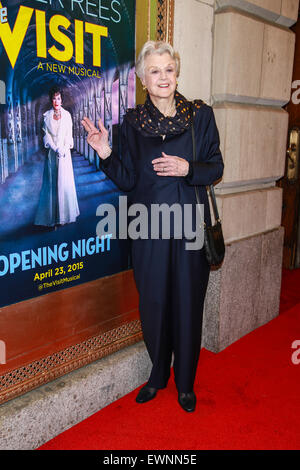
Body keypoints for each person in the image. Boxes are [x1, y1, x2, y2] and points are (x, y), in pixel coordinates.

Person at [82, 41, 224, 412]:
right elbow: (128, 181)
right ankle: (158, 374)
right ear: (144, 79)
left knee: (188, 303)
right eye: (155, 71)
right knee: (155, 304)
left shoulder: (200, 116)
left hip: (190, 229)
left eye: (169, 69)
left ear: (177, 73)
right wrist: (105, 153)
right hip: (148, 230)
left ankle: (185, 383)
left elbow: (216, 167)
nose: (163, 77)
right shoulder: (131, 123)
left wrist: (188, 169)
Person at [35, 86, 80, 227]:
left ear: (62, 99)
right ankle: (52, 218)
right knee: (52, 185)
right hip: (52, 155)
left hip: (64, 155)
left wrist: (64, 149)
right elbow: (46, 136)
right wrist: (55, 149)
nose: (56, 101)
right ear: (51, 99)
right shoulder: (46, 116)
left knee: (64, 184)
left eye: (58, 98)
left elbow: (69, 135)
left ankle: (64, 216)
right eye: (54, 98)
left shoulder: (67, 116)